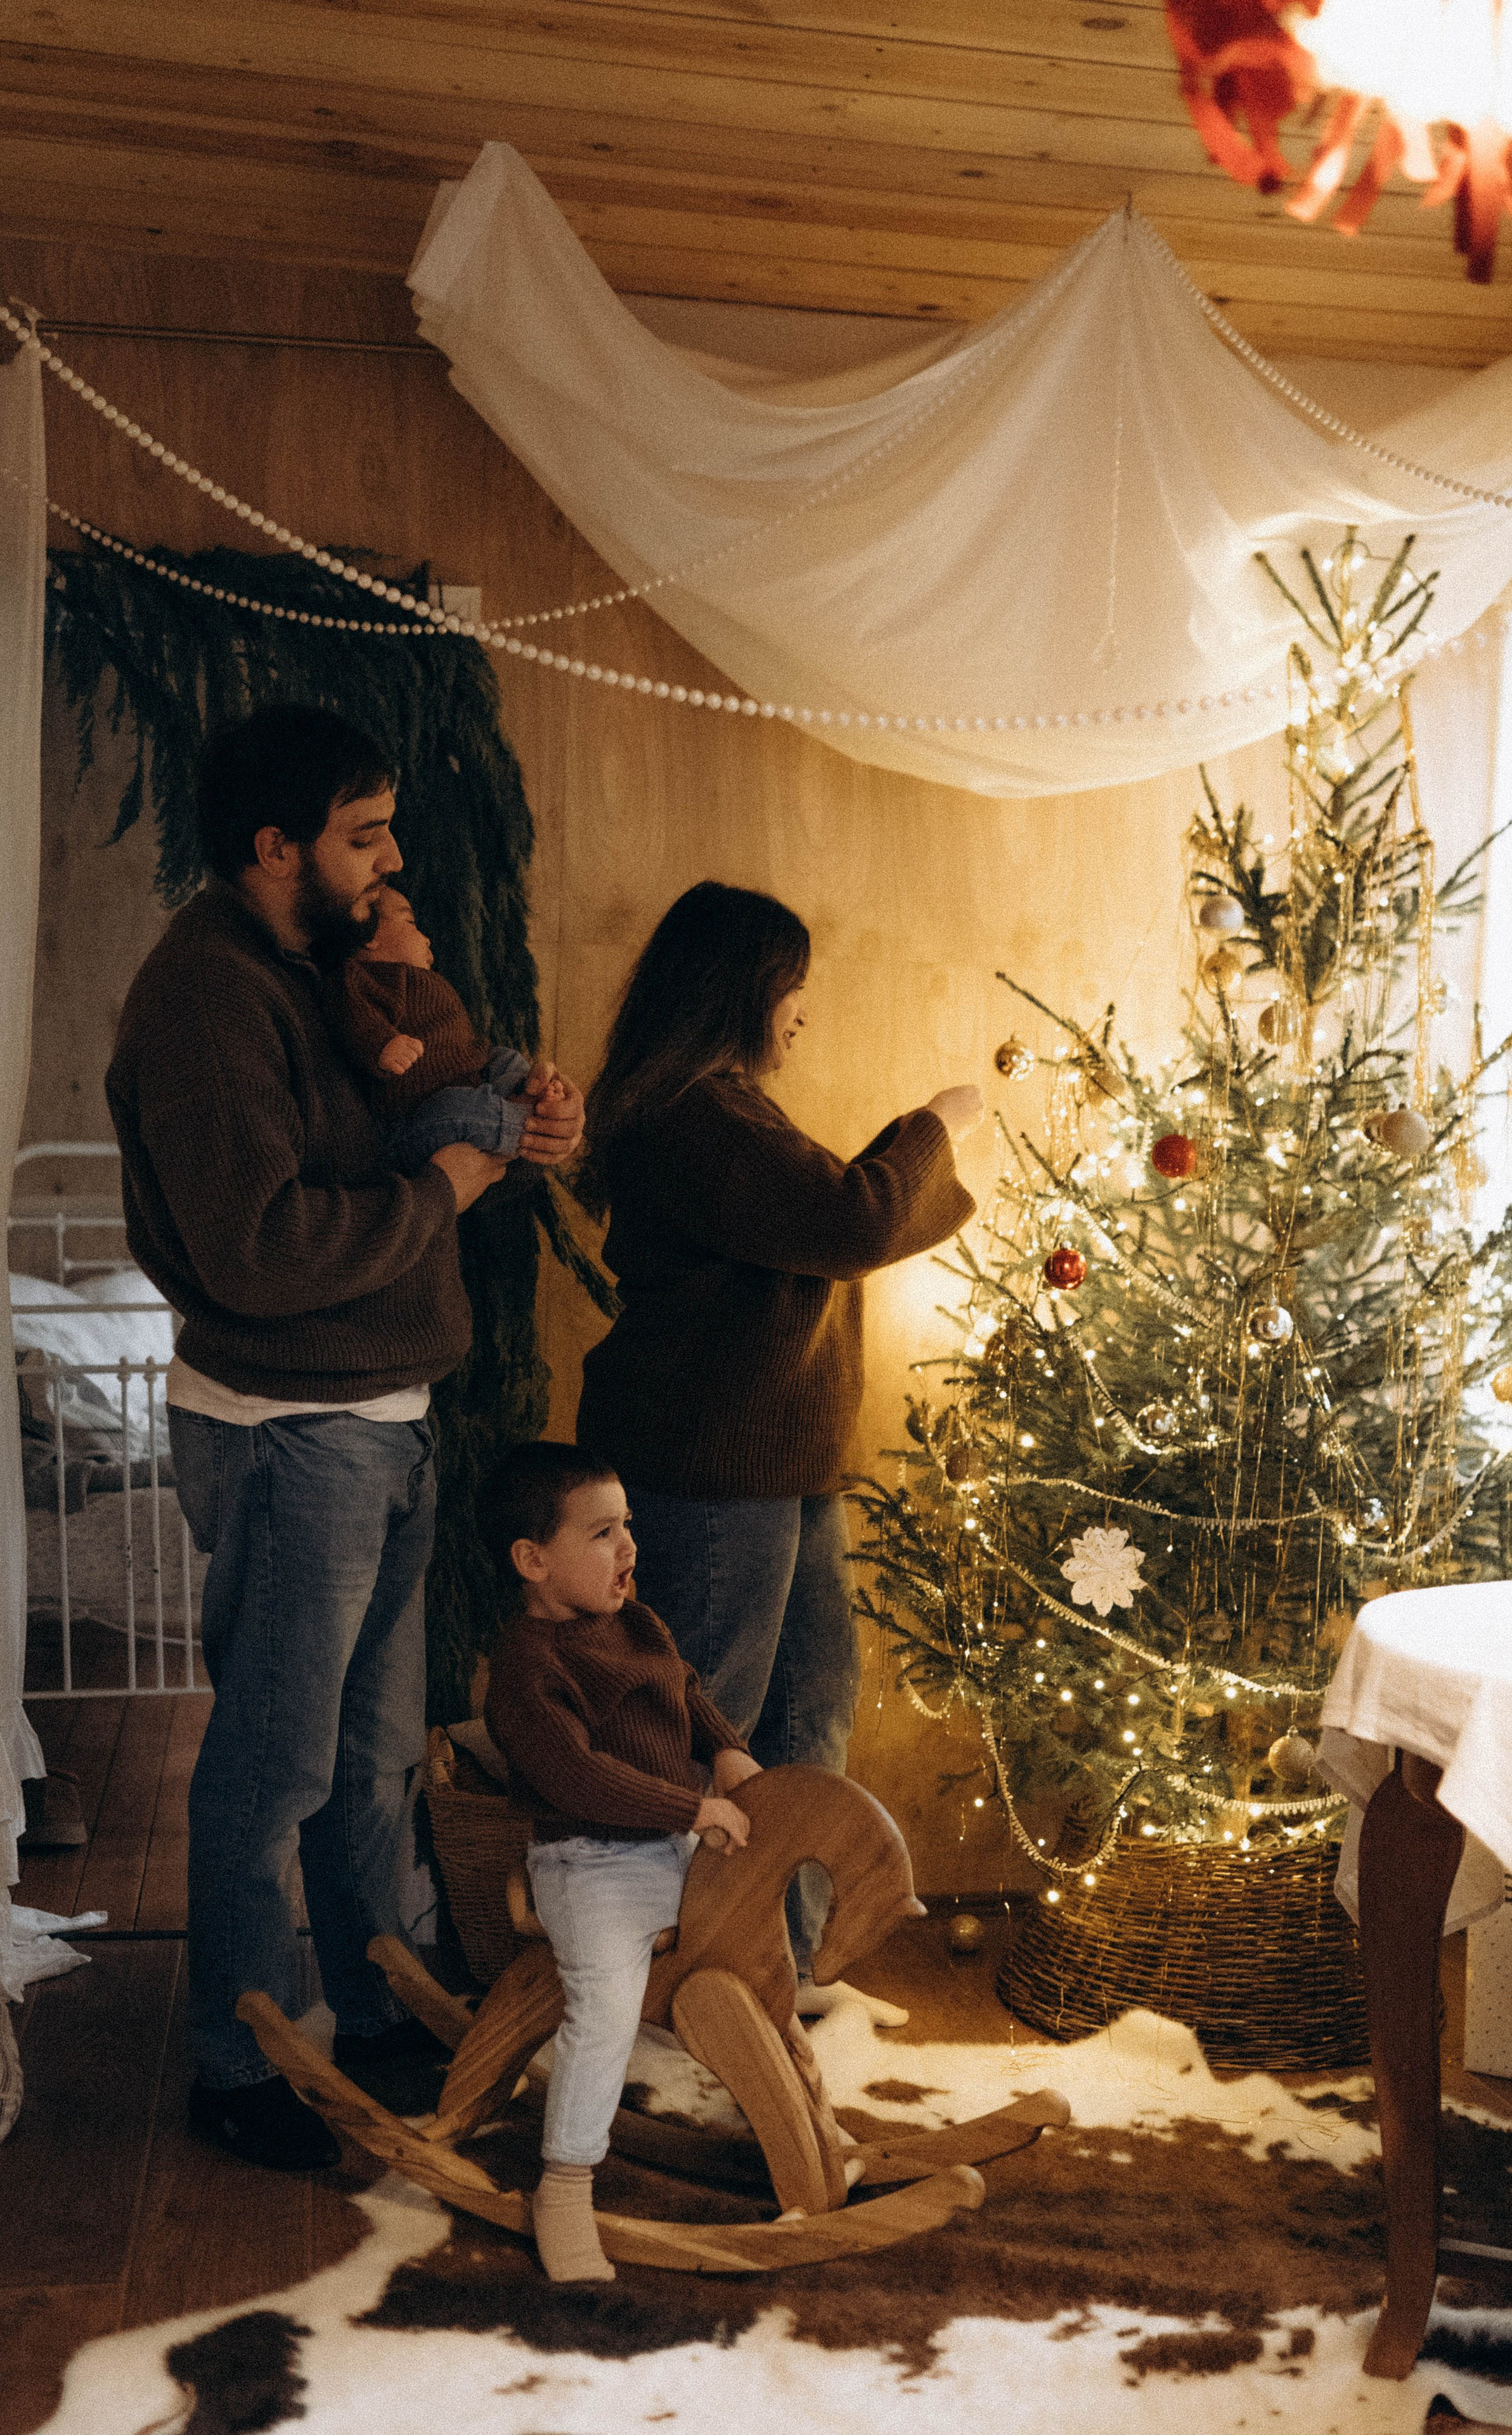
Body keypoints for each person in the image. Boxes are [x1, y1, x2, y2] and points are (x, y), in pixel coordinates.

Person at [104, 703, 585, 2172]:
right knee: (274, 1763)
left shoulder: (323, 964)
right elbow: (257, 1248)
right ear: (274, 847)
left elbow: (401, 1098)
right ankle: (242, 2060)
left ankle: (376, 1999)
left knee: (371, 1757)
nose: (390, 862)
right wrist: (450, 1181)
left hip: (380, 1421)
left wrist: (513, 1101)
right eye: (361, 835)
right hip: (283, 1434)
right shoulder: (203, 996)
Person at [574, 880, 981, 1977]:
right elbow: (854, 1216)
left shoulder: (724, 1106)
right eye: (791, 988)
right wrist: (938, 1123)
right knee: (715, 1741)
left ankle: (780, 1974)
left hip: (779, 1469)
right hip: (712, 1474)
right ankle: (670, 1982)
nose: (802, 1010)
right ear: (741, 991)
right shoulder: (692, 1114)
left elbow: (828, 1221)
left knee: (807, 1715)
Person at [481, 1439, 759, 2283]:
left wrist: (725, 1751)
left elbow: (686, 1688)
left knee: (755, 1953)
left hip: (668, 1844)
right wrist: (691, 1806)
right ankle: (565, 2184)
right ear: (533, 1560)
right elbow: (576, 1776)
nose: (629, 1549)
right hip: (586, 1861)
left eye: (627, 1525)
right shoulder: (527, 1667)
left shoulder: (636, 1622)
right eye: (602, 1533)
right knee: (605, 2009)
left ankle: (798, 2118)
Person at [326, 883, 564, 1172]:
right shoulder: (361, 977)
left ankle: (523, 1090)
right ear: (369, 934)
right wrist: (382, 1044)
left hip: (471, 1075)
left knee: (506, 1058)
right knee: (461, 1107)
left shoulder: (426, 980)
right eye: (411, 923)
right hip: (417, 1114)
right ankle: (530, 1123)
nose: (426, 939)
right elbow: (347, 1013)